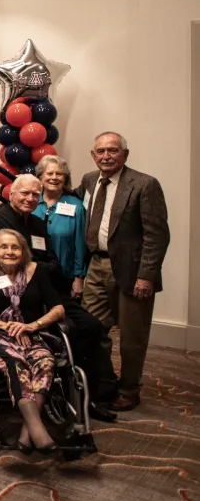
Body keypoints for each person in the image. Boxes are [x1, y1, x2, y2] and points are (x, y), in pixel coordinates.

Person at [0, 174, 118, 422]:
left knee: (91, 326)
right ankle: (63, 392)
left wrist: (30, 269)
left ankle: (90, 395)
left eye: (34, 195)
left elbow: (54, 264)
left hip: (42, 290)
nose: (30, 198)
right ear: (11, 194)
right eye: (24, 193)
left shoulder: (38, 224)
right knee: (68, 329)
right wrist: (18, 272)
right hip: (7, 297)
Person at [79, 132, 169, 412]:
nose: (106, 156)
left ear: (125, 155)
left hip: (132, 271)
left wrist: (147, 275)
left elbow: (157, 235)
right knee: (92, 329)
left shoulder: (144, 184)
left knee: (132, 335)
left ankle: (130, 389)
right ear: (93, 155)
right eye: (101, 151)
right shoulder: (88, 180)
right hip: (96, 265)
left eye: (113, 150)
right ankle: (103, 381)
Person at [0, 229, 64, 454]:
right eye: (4, 247)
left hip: (30, 335)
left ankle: (27, 435)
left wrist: (32, 326)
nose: (10, 251)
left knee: (46, 362)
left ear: (23, 251)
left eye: (15, 247)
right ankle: (38, 433)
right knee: (16, 364)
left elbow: (59, 308)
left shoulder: (36, 271)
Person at [34, 155, 88, 299]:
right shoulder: (31, 202)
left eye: (59, 174)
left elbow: (80, 244)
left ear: (65, 179)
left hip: (64, 276)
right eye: (49, 173)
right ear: (40, 177)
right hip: (32, 275)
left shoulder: (76, 206)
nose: (54, 177)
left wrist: (79, 277)